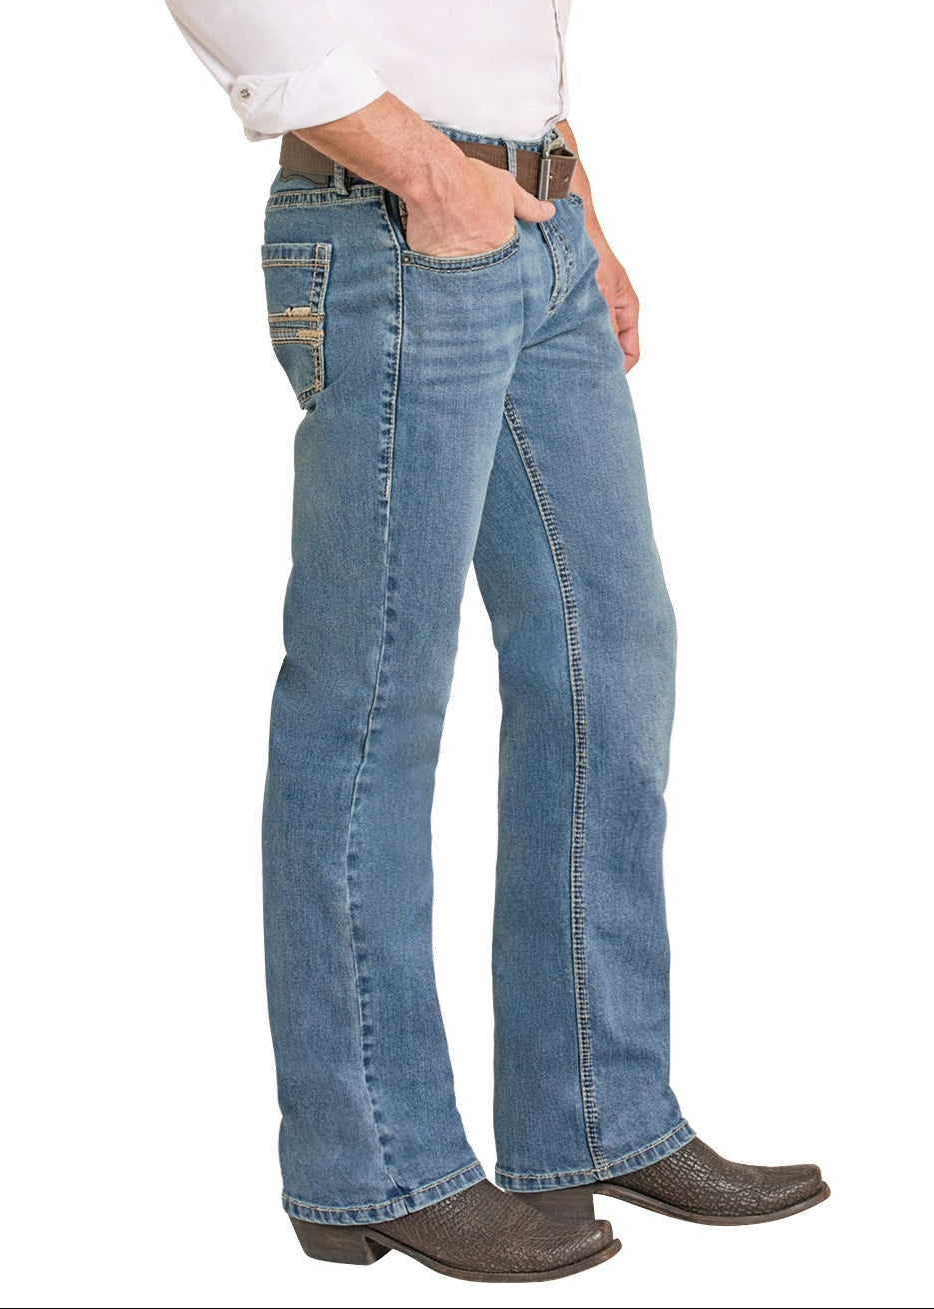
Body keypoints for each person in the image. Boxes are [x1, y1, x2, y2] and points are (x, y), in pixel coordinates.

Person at [165, 0, 829, 1284]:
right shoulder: (410, 189)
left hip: (539, 227)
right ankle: (370, 1160)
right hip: (393, 218)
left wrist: (580, 208)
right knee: (372, 700)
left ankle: (595, 1107)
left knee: (610, 663)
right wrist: (425, 171)